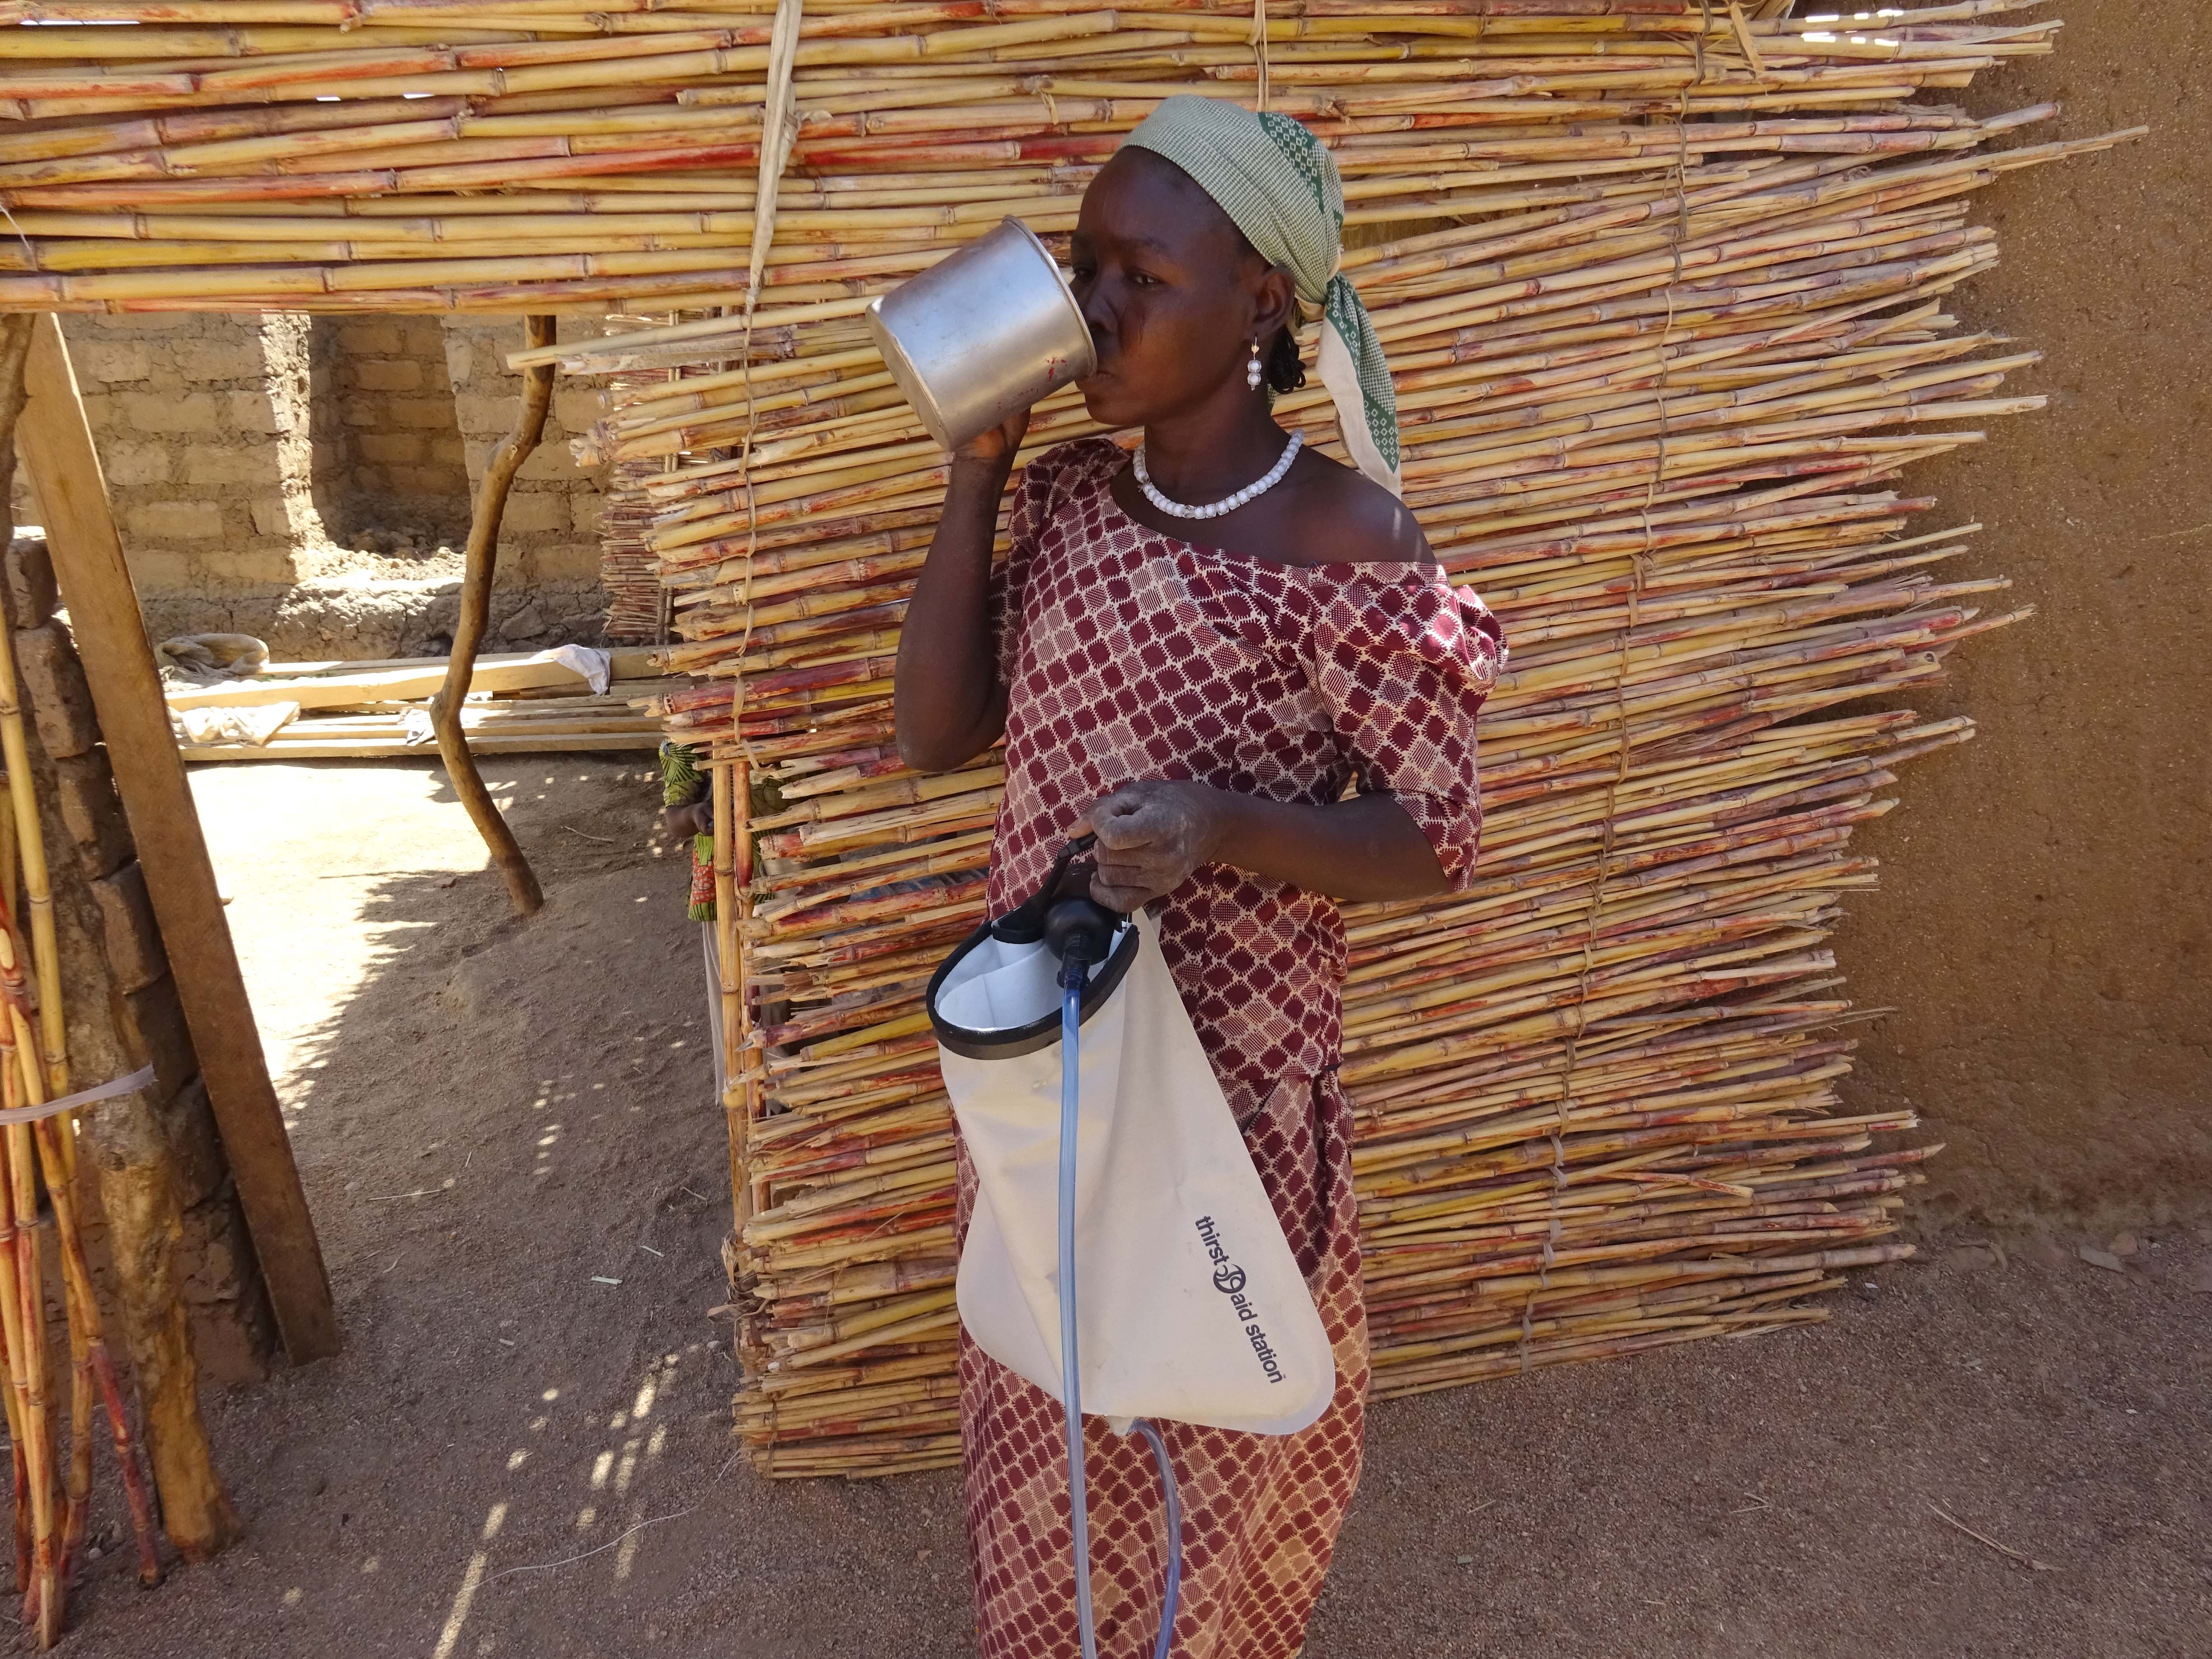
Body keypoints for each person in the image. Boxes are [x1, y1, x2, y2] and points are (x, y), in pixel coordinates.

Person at [894, 96, 1506, 1659]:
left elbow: (1435, 839)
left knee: (1219, 1450)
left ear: (1263, 306)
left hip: (1232, 1101)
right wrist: (975, 471)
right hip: (1054, 1073)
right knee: (1050, 1422)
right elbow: (938, 734)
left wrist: (1222, 824)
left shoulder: (1350, 543)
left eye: (1141, 280)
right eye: (1087, 268)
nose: (1094, 309)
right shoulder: (1073, 502)